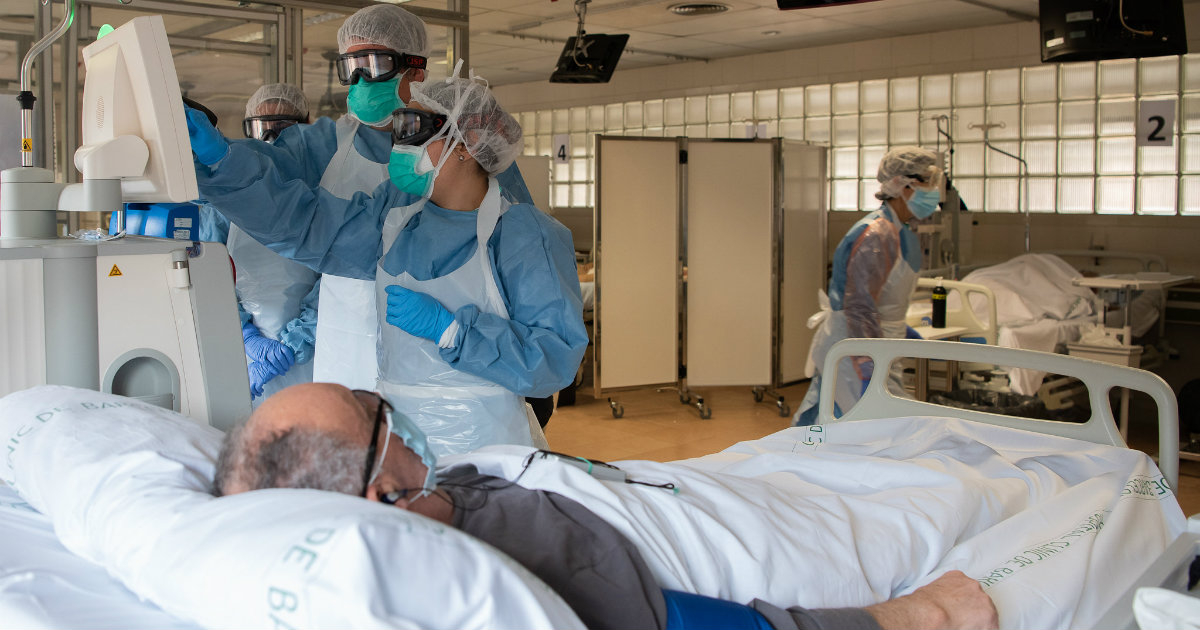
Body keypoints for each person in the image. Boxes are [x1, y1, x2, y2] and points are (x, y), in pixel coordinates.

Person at [213, 383, 999, 630]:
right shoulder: (532, 570)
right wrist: (910, 614)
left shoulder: (444, 491)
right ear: (381, 497)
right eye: (374, 410)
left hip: (693, 483)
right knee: (969, 487)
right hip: (783, 532)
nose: (387, 406)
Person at [186, 72, 587, 455]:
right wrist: (223, 162)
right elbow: (303, 224)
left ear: (466, 144)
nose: (399, 146)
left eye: (415, 130)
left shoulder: (523, 235)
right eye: (399, 130)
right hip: (398, 442)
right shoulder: (393, 217)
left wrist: (453, 332)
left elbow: (554, 362)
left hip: (484, 445)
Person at [187, 4, 535, 394]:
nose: (360, 79)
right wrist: (217, 156)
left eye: (375, 63)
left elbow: (522, 255)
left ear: (416, 69)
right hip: (346, 344)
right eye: (351, 66)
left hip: (451, 351)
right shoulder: (323, 146)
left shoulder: (469, 146)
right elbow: (272, 179)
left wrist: (515, 354)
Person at [793, 147, 943, 426]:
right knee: (866, 429)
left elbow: (880, 298)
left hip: (873, 342)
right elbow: (859, 306)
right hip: (855, 348)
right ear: (903, 184)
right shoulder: (878, 234)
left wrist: (900, 329)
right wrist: (868, 364)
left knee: (835, 424)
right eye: (927, 182)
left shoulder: (899, 231)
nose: (933, 191)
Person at [196, 83, 320, 403]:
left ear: (308, 128)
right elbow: (208, 274)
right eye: (262, 129)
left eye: (284, 128)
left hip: (317, 352)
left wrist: (296, 343)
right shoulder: (225, 199)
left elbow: (341, 279)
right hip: (245, 354)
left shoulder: (325, 191)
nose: (272, 140)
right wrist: (247, 336)